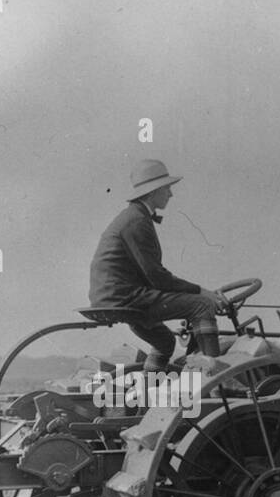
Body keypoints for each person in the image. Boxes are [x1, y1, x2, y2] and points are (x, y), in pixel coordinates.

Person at [88, 159, 227, 370]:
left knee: (165, 342)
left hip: (114, 296)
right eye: (167, 188)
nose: (171, 194)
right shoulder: (136, 221)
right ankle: (216, 382)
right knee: (202, 305)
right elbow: (157, 277)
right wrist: (203, 292)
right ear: (154, 191)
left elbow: (150, 275)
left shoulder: (133, 217)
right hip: (125, 297)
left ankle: (148, 394)